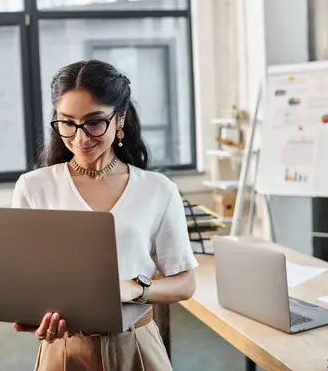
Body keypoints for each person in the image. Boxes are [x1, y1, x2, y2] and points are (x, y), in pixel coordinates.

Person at [11, 59, 198, 371]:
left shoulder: (157, 189)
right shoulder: (34, 187)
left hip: (137, 347)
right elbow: (21, 282)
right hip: (63, 352)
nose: (80, 138)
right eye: (67, 122)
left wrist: (135, 289)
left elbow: (185, 283)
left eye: (94, 122)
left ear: (120, 119)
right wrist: (31, 317)